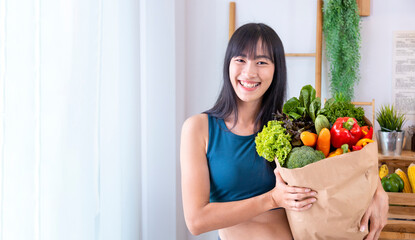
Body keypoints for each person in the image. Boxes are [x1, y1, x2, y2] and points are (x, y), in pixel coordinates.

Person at [180, 23, 388, 240]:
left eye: (261, 62)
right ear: (228, 65)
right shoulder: (199, 128)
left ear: (276, 70)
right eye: (240, 60)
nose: (249, 72)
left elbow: (345, 161)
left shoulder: (290, 127)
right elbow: (197, 220)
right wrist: (273, 199)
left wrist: (379, 192)